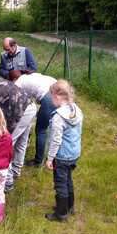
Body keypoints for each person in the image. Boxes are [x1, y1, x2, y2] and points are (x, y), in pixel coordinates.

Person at [44, 80, 83, 222]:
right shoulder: (77, 110)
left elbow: (56, 140)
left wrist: (49, 158)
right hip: (74, 153)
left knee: (60, 183)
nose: (50, 100)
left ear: (58, 97)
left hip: (61, 156)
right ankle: (70, 206)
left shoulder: (58, 117)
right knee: (68, 179)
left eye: (51, 97)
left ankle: (61, 214)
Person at [9, 70, 57, 167]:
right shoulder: (30, 75)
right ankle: (55, 157)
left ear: (14, 79)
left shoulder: (18, 83)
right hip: (59, 89)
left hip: (49, 96)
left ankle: (38, 161)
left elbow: (19, 105)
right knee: (55, 128)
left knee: (41, 130)